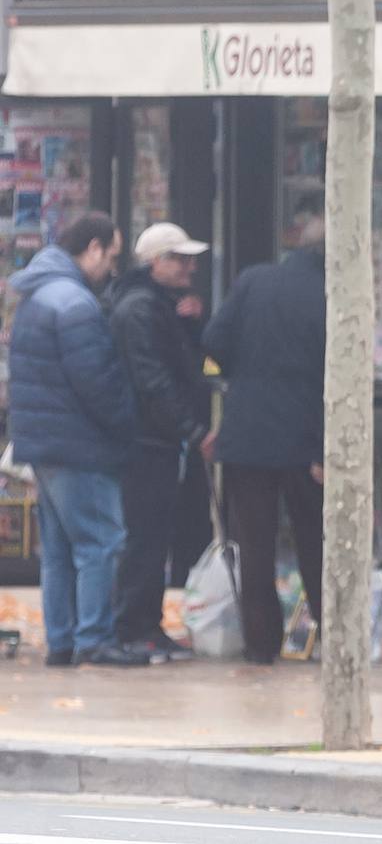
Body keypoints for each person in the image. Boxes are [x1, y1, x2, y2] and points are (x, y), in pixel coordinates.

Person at [9, 212, 149, 667]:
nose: (111, 267)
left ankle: (63, 641)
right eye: (110, 255)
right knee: (99, 542)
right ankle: (94, 639)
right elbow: (98, 382)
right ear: (92, 248)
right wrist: (127, 424)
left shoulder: (38, 295)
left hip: (46, 444)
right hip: (78, 445)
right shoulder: (75, 303)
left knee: (58, 551)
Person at [203, 221, 327, 665]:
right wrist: (322, 449)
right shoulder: (332, 296)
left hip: (248, 435)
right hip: (304, 440)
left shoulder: (254, 280)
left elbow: (214, 338)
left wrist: (247, 377)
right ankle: (331, 638)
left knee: (254, 544)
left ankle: (261, 645)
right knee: (315, 542)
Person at [107, 223, 214, 661]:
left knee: (154, 536)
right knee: (146, 538)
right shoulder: (140, 310)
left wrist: (190, 326)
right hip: (147, 442)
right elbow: (155, 382)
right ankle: (135, 627)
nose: (191, 267)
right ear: (156, 263)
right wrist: (192, 430)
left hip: (157, 440)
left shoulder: (158, 307)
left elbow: (182, 367)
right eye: (180, 259)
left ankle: (145, 624)